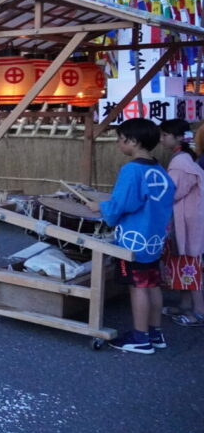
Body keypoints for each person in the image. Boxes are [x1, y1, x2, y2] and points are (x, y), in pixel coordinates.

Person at [87, 118, 176, 354]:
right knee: (152, 284)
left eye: (121, 140)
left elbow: (121, 204)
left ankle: (140, 338)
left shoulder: (131, 170)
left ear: (134, 141)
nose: (119, 144)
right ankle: (155, 333)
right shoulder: (159, 170)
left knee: (138, 286)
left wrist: (100, 208)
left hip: (134, 240)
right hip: (154, 239)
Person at [157, 119, 204, 326]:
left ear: (178, 138)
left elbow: (173, 193)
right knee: (182, 262)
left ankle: (199, 311)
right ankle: (186, 305)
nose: (161, 139)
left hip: (186, 220)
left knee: (188, 263)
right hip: (189, 217)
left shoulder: (180, 163)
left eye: (165, 135)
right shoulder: (185, 158)